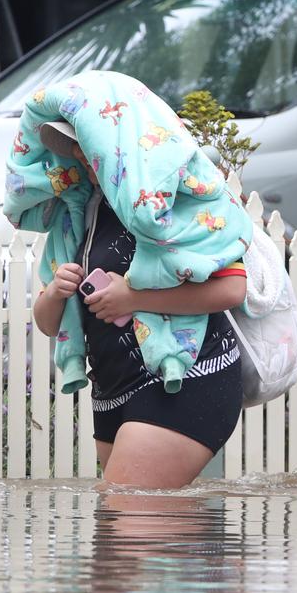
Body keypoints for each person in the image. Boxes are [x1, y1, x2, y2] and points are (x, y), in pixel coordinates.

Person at [32, 123, 247, 489]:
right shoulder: (77, 210)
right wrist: (55, 292)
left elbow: (232, 290)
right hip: (111, 389)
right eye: (73, 144)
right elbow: (49, 324)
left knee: (126, 513)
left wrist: (134, 298)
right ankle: (214, 546)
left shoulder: (169, 197)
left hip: (182, 376)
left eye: (86, 139)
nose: (80, 152)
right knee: (122, 535)